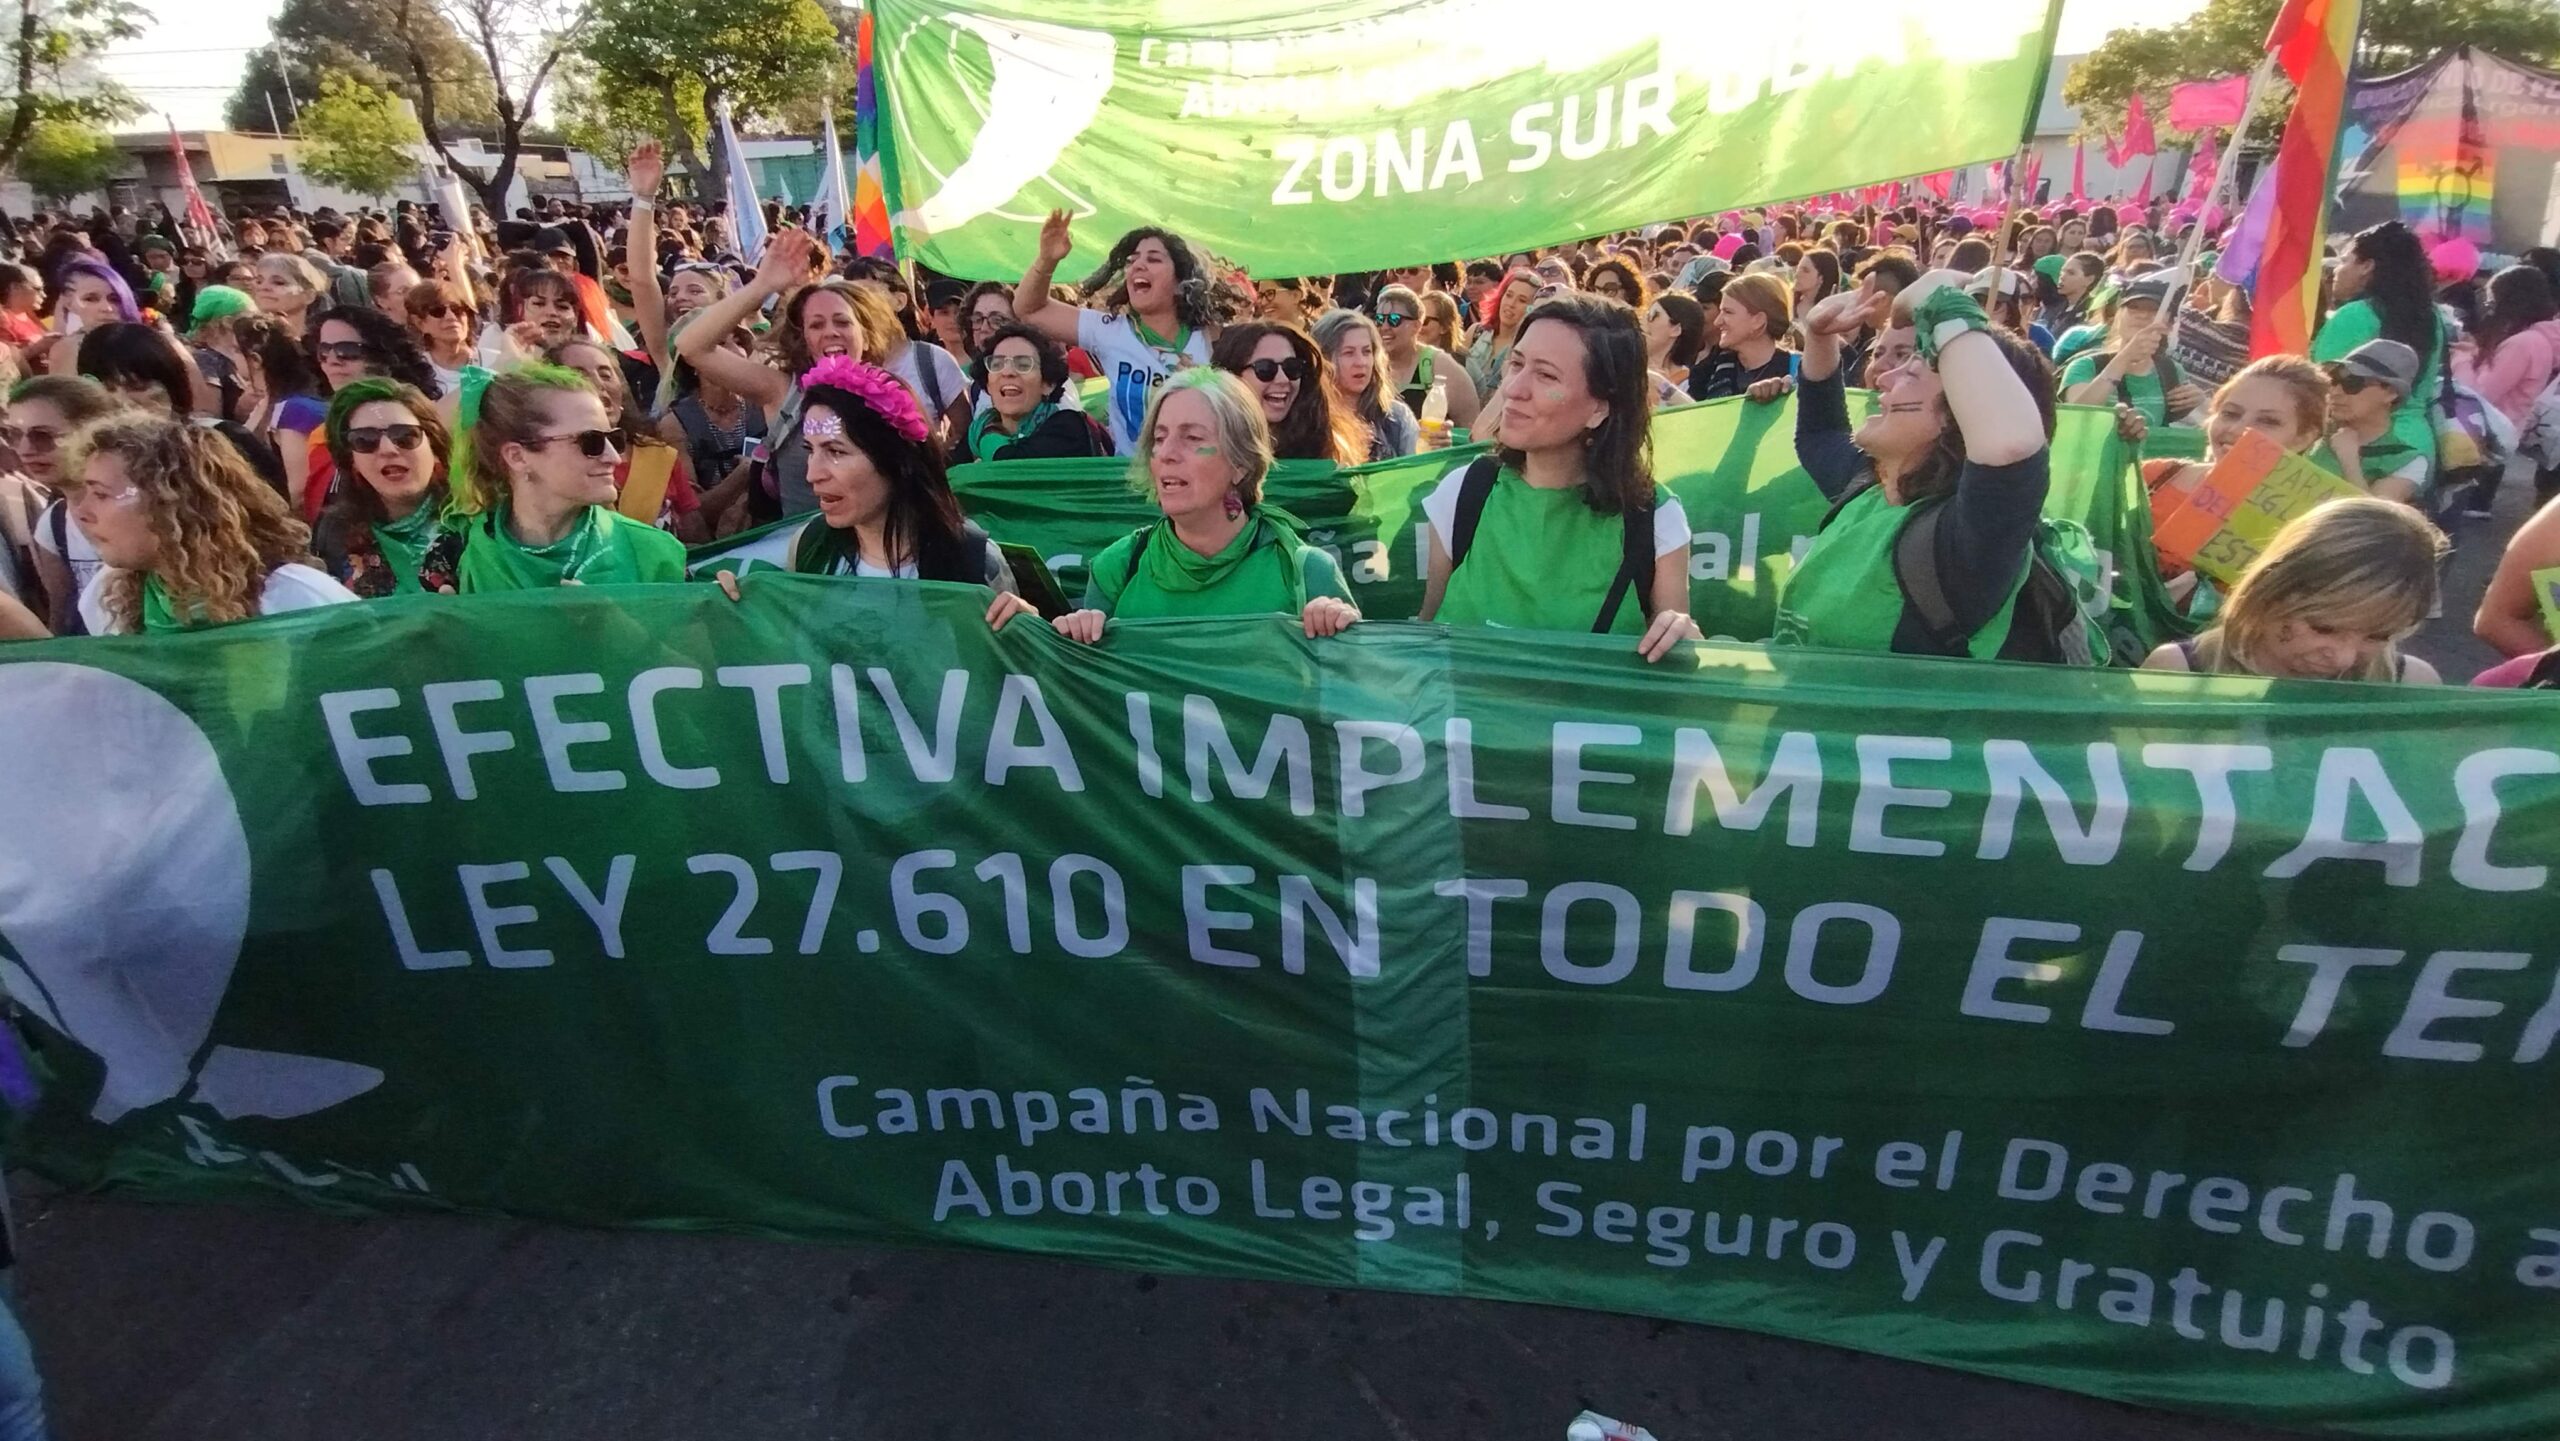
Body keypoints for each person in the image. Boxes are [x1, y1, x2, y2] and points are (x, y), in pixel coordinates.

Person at [1771, 274, 2059, 660]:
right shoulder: (1872, 486)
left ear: (1959, 414)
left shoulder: (1969, 544)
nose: (1882, 378)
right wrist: (1819, 336)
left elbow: (2011, 443)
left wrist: (1934, 297)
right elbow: (1819, 433)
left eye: (1910, 372)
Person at [1417, 293, 1699, 661]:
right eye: (1516, 364)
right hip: (1461, 718)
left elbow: (1673, 669)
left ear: (1600, 407)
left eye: (1546, 375)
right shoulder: (1464, 492)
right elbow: (1425, 637)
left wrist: (1687, 641)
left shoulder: (1654, 517)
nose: (1514, 389)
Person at [709, 356, 1033, 631]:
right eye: (811, 450)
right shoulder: (811, 548)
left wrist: (1026, 633)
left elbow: (1009, 684)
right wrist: (735, 618)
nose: (813, 474)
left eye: (835, 451)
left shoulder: (973, 560)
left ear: (897, 461)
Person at [1051, 368, 1357, 642]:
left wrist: (1341, 629)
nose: (1167, 453)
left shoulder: (1306, 572)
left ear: (1241, 463)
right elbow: (1086, 692)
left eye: (1193, 438)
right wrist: (1078, 635)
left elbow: (1357, 686)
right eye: (1159, 438)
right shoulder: (1117, 567)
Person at [64, 412, 357, 634]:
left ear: (171, 502)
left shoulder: (295, 596)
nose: (82, 512)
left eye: (101, 494)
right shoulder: (105, 599)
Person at [2142, 497, 2444, 682]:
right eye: (2323, 628)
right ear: (2270, 588)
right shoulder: (2178, 672)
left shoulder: (2412, 684)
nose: (2344, 659)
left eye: (2378, 636)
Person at [676, 230, 867, 518]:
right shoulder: (783, 390)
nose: (830, 332)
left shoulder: (892, 388)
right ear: (801, 337)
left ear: (864, 332)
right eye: (816, 326)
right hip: (808, 551)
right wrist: (761, 286)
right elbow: (691, 347)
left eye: (842, 322)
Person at [449, 363, 687, 590]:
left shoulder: (653, 554)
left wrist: (614, 623)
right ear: (517, 457)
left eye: (614, 439)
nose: (614, 457)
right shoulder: (456, 556)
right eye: (590, 441)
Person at [1013, 211, 1230, 454]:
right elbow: (1028, 309)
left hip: (1197, 478)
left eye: (1154, 259)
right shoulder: (1110, 330)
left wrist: (1206, 388)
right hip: (1130, 482)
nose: (1138, 265)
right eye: (1131, 260)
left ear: (1182, 282)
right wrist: (1046, 260)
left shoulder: (1212, 337)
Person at [2141, 355, 2330, 592]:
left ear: (2304, 438)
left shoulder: (2306, 526)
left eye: (2268, 421)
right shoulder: (2155, 476)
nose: (2238, 430)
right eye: (2230, 413)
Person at [2312, 221, 2445, 493]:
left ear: (2367, 266)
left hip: (2354, 440)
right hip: (2416, 444)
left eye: (2345, 260)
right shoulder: (2433, 317)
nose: (2337, 270)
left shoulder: (2354, 315)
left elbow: (2318, 385)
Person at [544, 335, 704, 542]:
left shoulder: (659, 457)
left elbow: (697, 537)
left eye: (606, 374)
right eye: (578, 375)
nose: (599, 384)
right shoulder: (548, 468)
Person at [313, 378, 455, 596]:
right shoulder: (335, 531)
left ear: (434, 447)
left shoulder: (475, 521)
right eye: (364, 440)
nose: (388, 449)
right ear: (352, 461)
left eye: (405, 436)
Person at [10, 375, 119, 634]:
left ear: (93, 432)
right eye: (13, 435)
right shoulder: (53, 522)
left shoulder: (137, 507)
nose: (25, 449)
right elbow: (61, 618)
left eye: (43, 436)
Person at [2451, 264, 2560, 517]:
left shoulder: (2524, 343)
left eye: (2491, 300)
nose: (2488, 306)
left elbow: (2480, 392)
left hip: (2487, 435)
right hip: (2503, 430)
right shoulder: (2537, 339)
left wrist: (2460, 359)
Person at [1210, 320, 1364, 465]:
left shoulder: (1328, 451)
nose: (1282, 379)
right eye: (1265, 369)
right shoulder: (1205, 447)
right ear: (1231, 376)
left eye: (1292, 367)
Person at [956, 324, 1112, 463]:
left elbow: (1009, 466)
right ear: (988, 384)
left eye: (1023, 364)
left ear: (1048, 384)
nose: (1008, 372)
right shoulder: (977, 428)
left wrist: (988, 434)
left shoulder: (1070, 426)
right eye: (997, 364)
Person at [2059, 275, 2200, 426]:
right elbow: (2074, 414)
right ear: (2118, 317)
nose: (2142, 315)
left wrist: (2195, 402)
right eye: (2134, 307)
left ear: (2170, 325)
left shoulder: (2171, 371)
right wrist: (2125, 357)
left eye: (2155, 310)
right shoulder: (2086, 365)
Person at [2314, 341, 2431, 502]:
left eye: (2353, 383)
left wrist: (2349, 459)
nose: (2335, 392)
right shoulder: (2312, 431)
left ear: (2390, 393)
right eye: (2333, 380)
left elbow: (2370, 519)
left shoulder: (2406, 459)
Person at [1369, 284, 1481, 431]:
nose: (1384, 327)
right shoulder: (1367, 363)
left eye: (1394, 319)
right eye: (1379, 319)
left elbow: (1472, 431)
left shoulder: (1440, 367)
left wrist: (1445, 438)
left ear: (1417, 326)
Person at [1314, 308, 1418, 460]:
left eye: (1367, 352)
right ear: (1324, 359)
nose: (1361, 362)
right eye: (1348, 353)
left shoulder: (1396, 418)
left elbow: (1416, 474)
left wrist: (1433, 449)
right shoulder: (1306, 421)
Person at [1689, 272, 1793, 401]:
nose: (1718, 322)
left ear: (1758, 320)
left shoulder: (1797, 370)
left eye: (1728, 312)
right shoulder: (1708, 369)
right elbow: (1693, 415)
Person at [1464, 267, 1539, 398]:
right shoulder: (1475, 332)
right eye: (1508, 295)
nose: (1511, 304)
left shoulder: (1529, 349)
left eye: (1522, 300)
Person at [403, 279, 478, 395]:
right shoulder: (413, 376)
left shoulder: (496, 361)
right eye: (438, 311)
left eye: (457, 310)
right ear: (419, 323)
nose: (451, 317)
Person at [1642, 293, 1708, 405]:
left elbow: (1693, 413)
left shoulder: (1691, 382)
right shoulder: (1624, 366)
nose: (1643, 320)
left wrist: (1661, 385)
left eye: (1653, 315)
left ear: (1676, 329)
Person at [251, 252, 328, 339]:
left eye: (278, 283)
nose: (263, 287)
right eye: (259, 281)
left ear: (309, 295)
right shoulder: (241, 337)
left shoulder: (324, 341)